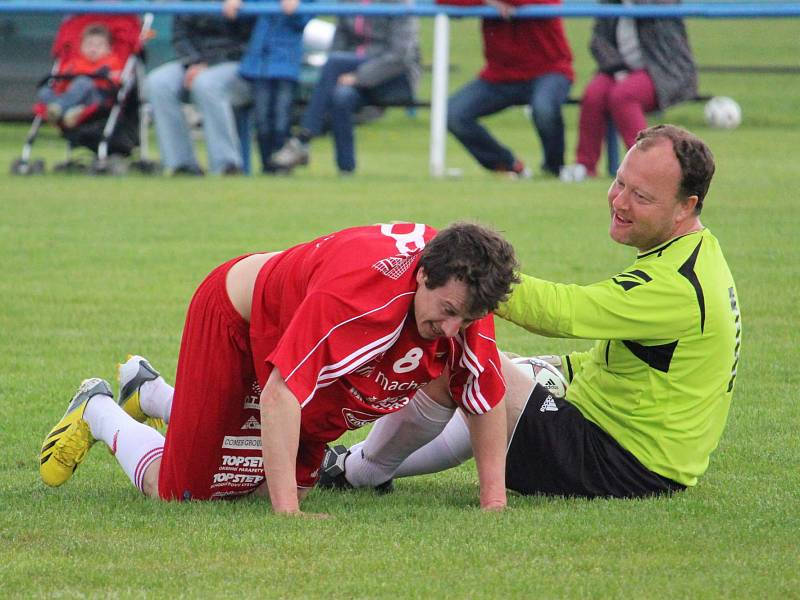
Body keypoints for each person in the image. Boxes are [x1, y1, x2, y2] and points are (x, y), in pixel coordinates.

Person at [325, 125, 742, 499]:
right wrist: (555, 368)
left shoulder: (676, 285)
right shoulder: (698, 254)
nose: (620, 201)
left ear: (686, 206)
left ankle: (356, 471)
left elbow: (564, 312)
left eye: (641, 196)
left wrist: (466, 273)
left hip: (620, 464)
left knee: (463, 356)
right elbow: (639, 368)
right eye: (619, 182)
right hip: (632, 447)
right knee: (504, 367)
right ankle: (359, 463)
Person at [39, 222, 518, 514]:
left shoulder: (461, 296)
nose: (455, 328)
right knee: (188, 492)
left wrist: (493, 502)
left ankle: (150, 392)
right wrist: (286, 515)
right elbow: (280, 394)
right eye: (449, 310)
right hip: (237, 317)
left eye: (467, 318)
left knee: (260, 479)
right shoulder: (357, 299)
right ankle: (99, 407)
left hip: (292, 336)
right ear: (422, 275)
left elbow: (483, 395)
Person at [270, 0, 421, 175]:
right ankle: (346, 169)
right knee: (341, 96)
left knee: (334, 63)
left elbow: (399, 57)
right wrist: (352, 78)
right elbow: (338, 47)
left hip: (393, 78)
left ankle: (304, 137)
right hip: (351, 74)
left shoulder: (398, 4)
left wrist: (358, 77)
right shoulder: (347, 4)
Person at [560, 0, 698, 182]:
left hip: (664, 71)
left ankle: (647, 165)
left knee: (624, 96)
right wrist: (617, 68)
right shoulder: (610, 5)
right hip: (619, 69)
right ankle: (585, 166)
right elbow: (598, 41)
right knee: (593, 95)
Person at [437, 0, 574, 179]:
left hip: (549, 70)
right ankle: (509, 165)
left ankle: (554, 169)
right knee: (452, 113)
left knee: (544, 108)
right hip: (500, 74)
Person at [145, 11, 253, 175]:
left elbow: (251, 39)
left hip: (239, 63)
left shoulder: (243, 5)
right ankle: (182, 165)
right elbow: (180, 35)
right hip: (195, 63)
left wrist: (209, 62)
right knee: (158, 82)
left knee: (206, 83)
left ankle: (226, 165)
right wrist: (194, 61)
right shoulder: (187, 5)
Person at [223, 0, 313, 174]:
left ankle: (282, 165)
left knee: (281, 117)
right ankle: (267, 166)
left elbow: (305, 17)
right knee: (262, 119)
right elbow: (238, 17)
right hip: (259, 65)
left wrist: (297, 9)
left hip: (286, 62)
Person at [37, 23, 124, 128]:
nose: (93, 49)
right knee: (45, 91)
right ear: (81, 46)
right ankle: (69, 112)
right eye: (89, 45)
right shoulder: (75, 63)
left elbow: (118, 81)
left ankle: (60, 109)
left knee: (83, 82)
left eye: (99, 46)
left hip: (95, 99)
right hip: (70, 96)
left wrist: (112, 76)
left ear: (109, 48)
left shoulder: (112, 62)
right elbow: (62, 83)